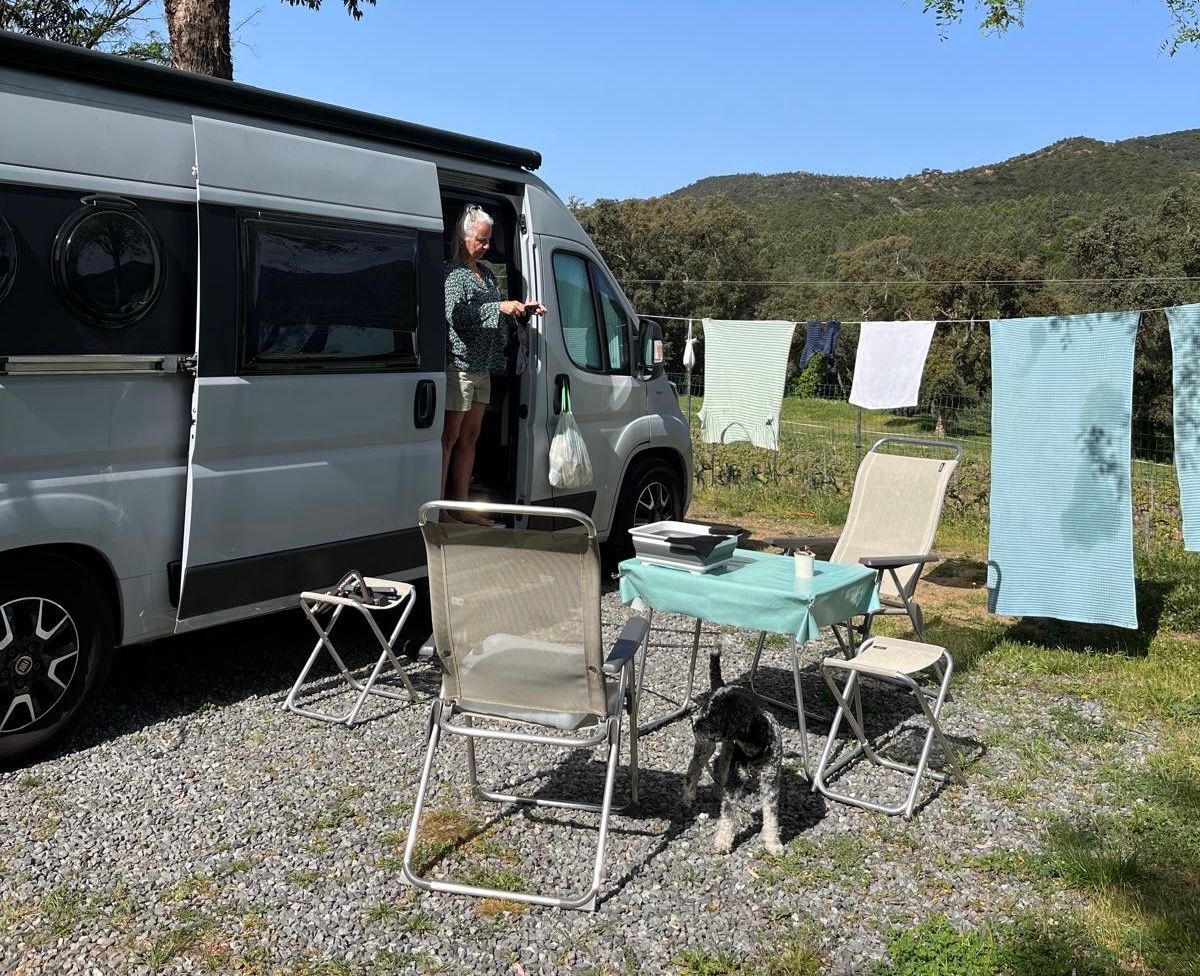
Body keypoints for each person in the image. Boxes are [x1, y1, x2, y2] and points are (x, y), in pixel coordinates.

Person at [442, 204, 544, 524]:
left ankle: (462, 507)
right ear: (463, 237)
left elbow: (498, 310)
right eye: (481, 240)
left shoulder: (486, 274)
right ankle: (441, 509)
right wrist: (498, 307)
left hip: (483, 366)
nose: (486, 246)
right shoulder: (452, 274)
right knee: (449, 438)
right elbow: (455, 316)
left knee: (470, 437)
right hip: (459, 366)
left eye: (488, 240)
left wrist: (522, 308)